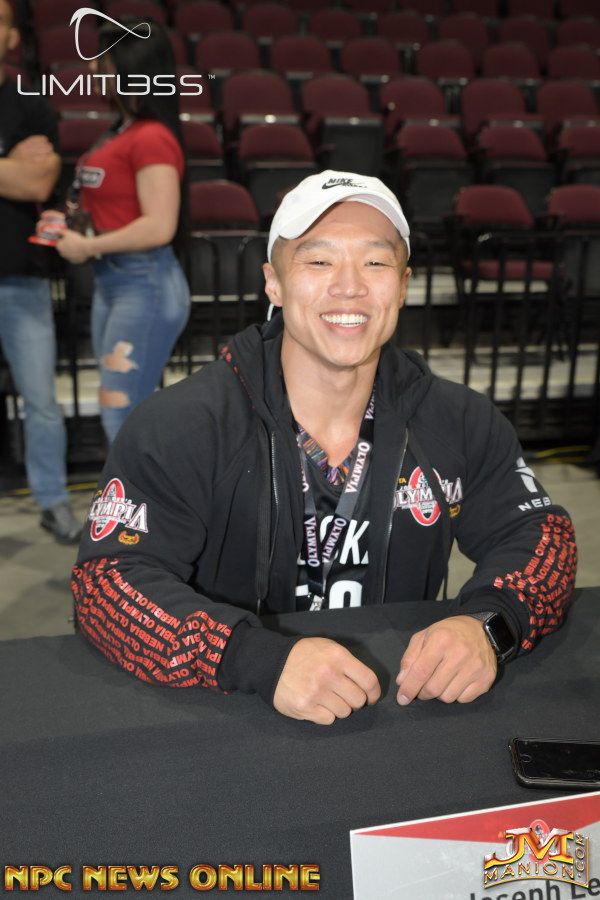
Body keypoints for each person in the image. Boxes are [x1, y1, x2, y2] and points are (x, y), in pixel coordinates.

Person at [72, 171, 578, 725]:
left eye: (375, 262)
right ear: (274, 283)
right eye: (318, 261)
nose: (349, 286)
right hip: (231, 714)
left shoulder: (459, 419)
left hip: (403, 707)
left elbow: (540, 536)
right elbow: (106, 584)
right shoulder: (181, 425)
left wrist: (488, 624)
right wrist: (250, 658)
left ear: (403, 285)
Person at [41, 17, 190, 444]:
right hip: (118, 283)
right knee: (122, 411)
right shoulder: (120, 132)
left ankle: (139, 491)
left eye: (103, 60)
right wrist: (66, 224)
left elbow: (160, 226)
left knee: (120, 412)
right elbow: (114, 208)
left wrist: (88, 248)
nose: (92, 68)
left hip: (143, 284)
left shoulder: (151, 138)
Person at [0, 0, 81, 544]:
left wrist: (21, 174)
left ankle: (52, 500)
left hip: (20, 279)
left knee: (42, 401)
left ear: (12, 37)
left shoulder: (28, 102)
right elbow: (20, 176)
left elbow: (36, 183)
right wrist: (10, 165)